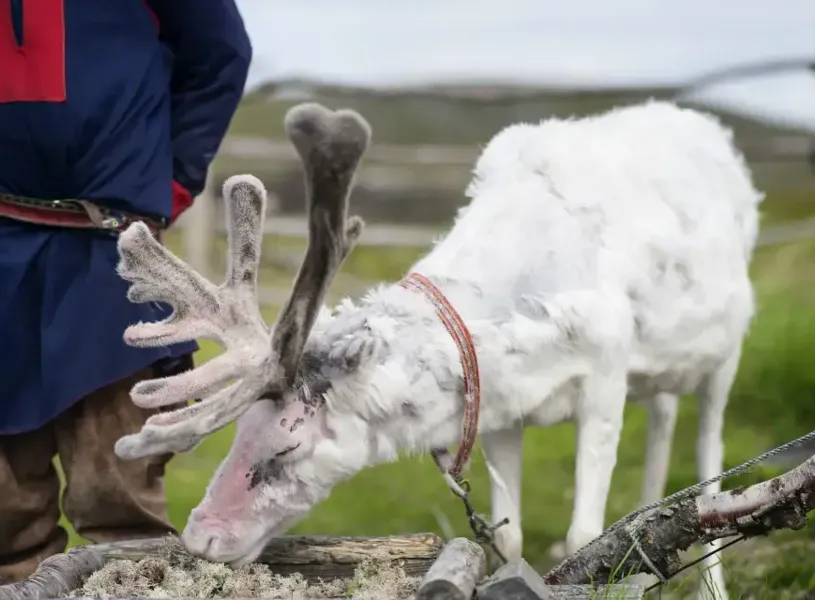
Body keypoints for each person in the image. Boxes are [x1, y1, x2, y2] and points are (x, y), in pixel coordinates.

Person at [0, 0, 252, 582]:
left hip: (106, 253)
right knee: (5, 513)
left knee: (118, 494)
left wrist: (172, 180)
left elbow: (220, 54)